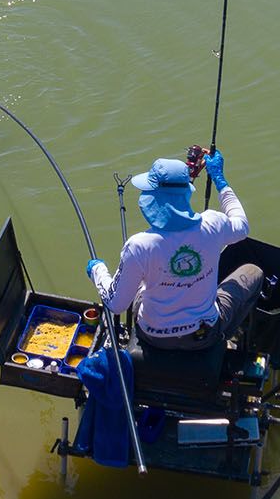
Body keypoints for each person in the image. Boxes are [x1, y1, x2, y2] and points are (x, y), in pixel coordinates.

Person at [87, 148, 262, 350]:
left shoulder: (139, 246)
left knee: (137, 279)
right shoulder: (213, 223)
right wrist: (220, 180)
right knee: (253, 272)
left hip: (152, 335)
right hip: (203, 334)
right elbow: (242, 226)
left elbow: (116, 304)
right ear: (187, 192)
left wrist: (97, 270)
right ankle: (224, 336)